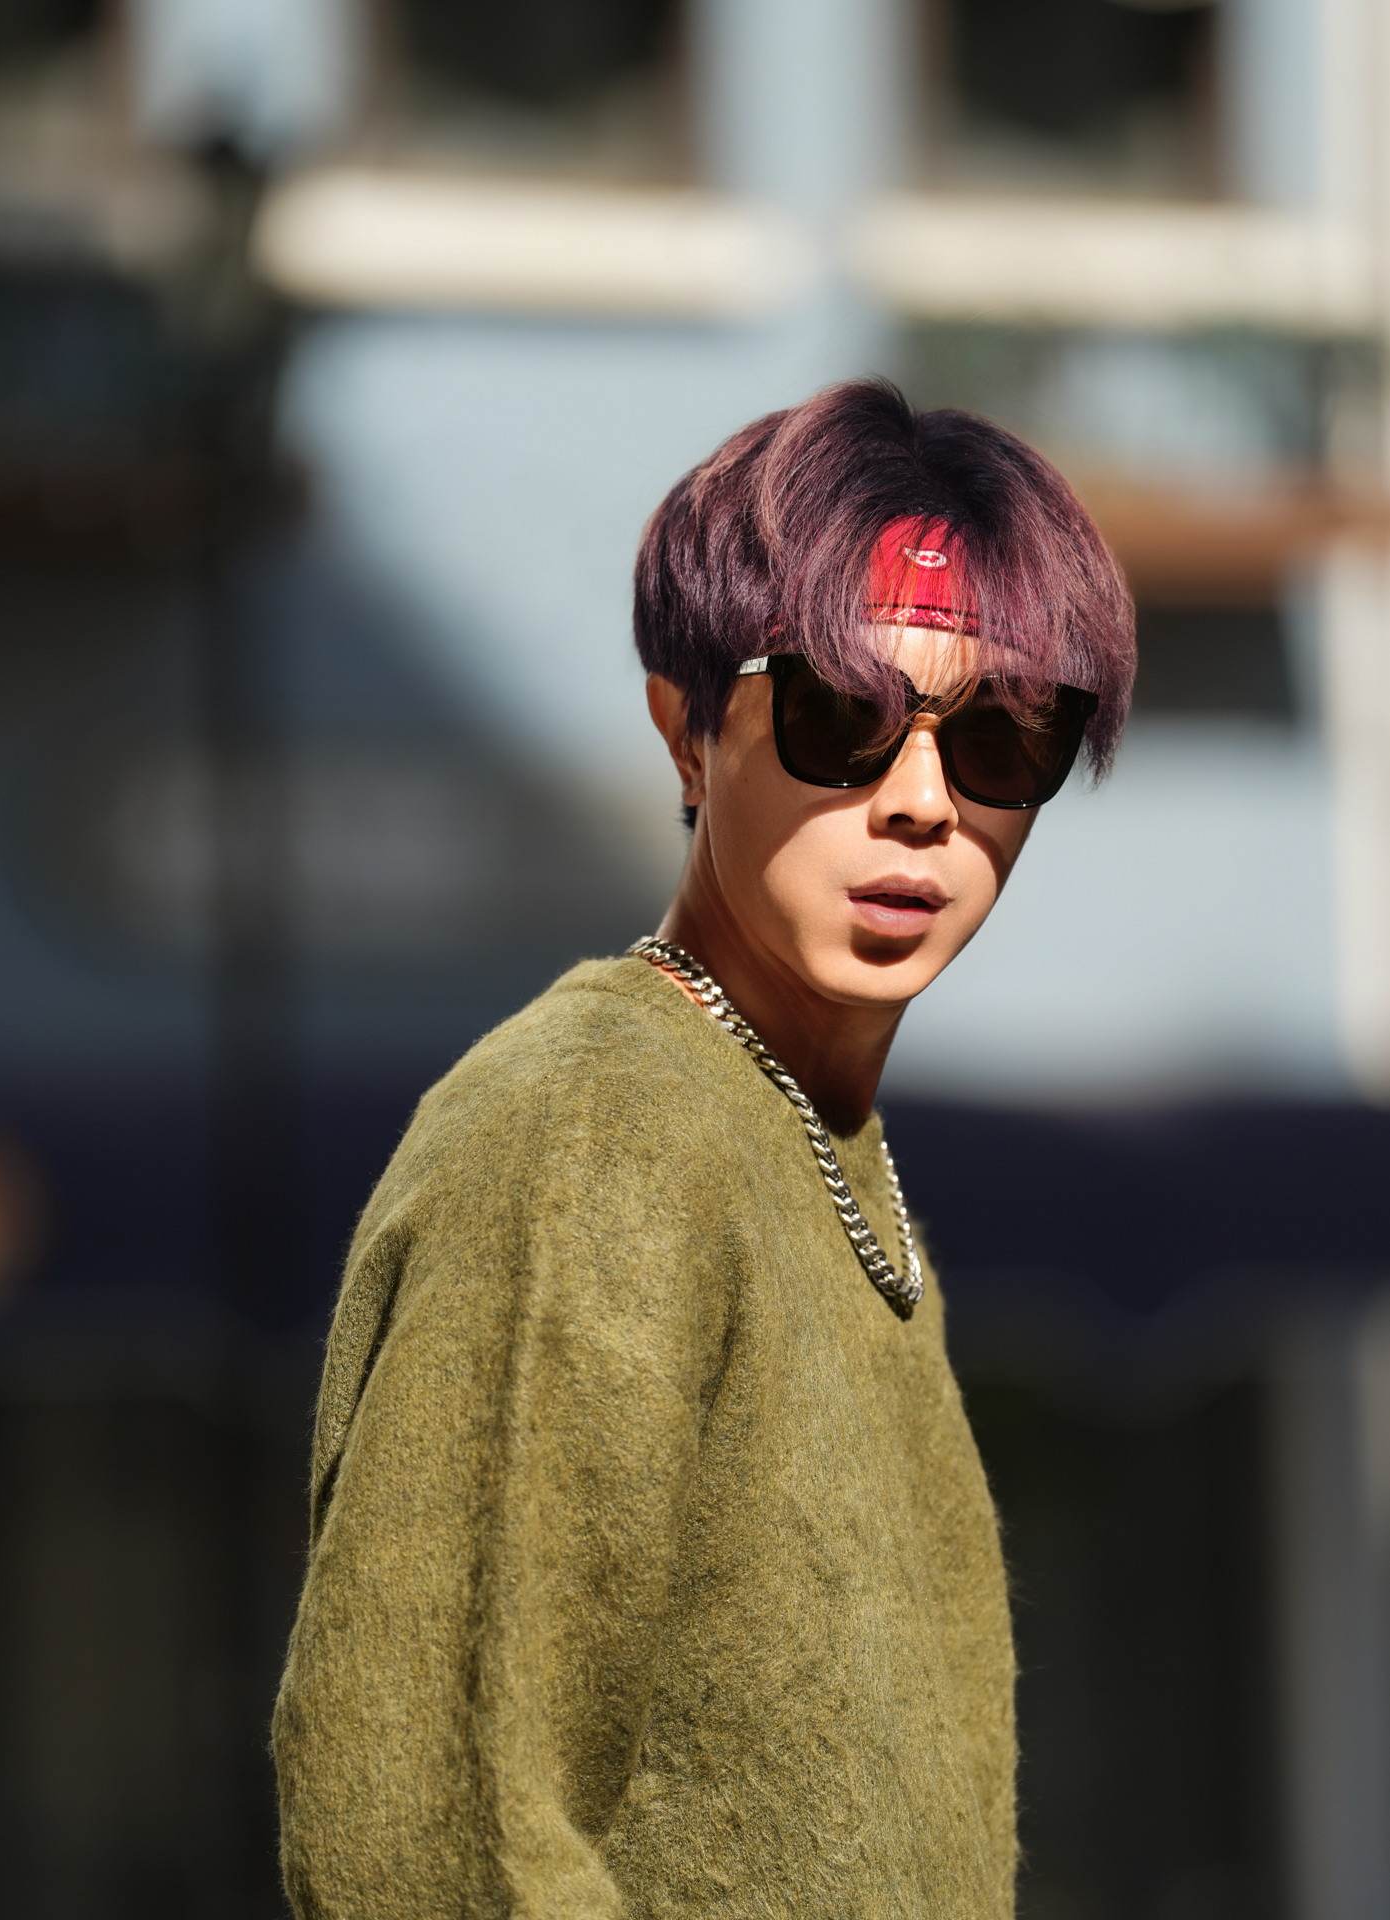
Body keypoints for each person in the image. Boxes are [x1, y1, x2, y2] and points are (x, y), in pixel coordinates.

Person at [272, 378, 1135, 1918]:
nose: (922, 803)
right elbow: (437, 1836)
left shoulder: (808, 1137)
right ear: (684, 728)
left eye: (1003, 738)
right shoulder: (598, 1124)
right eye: (838, 716)